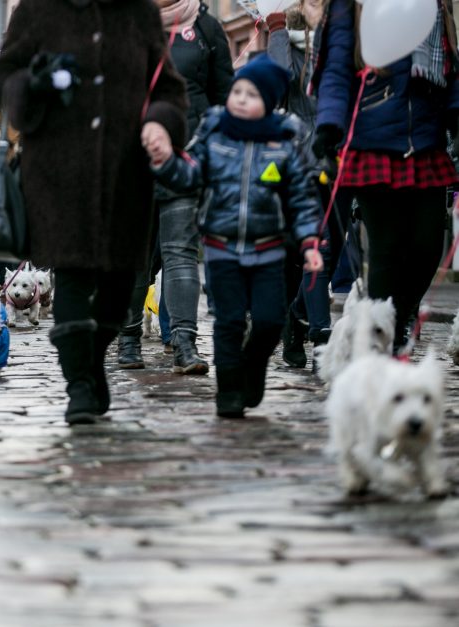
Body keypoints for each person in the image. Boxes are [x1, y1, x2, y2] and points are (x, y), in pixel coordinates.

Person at [0, 0, 188, 424]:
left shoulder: (138, 13)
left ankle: (91, 357)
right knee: (74, 273)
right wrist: (32, 84)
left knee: (119, 285)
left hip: (125, 172)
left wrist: (159, 122)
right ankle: (79, 384)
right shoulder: (39, 10)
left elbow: (167, 89)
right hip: (59, 171)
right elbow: (3, 73)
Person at [148, 54, 324, 418]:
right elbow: (189, 174)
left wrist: (310, 243)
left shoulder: (284, 143)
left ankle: (254, 368)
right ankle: (229, 390)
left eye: (252, 94)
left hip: (268, 250)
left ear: (271, 103)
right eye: (237, 91)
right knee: (228, 322)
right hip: (221, 249)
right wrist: (166, 162)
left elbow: (303, 200)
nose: (241, 98)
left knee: (269, 321)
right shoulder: (214, 131)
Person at [311, 0, 459, 353]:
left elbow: (451, 68)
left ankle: (399, 317)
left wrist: (456, 119)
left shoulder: (433, 5)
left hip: (426, 141)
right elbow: (335, 70)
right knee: (387, 249)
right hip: (372, 141)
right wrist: (329, 127)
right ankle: (374, 350)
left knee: (426, 249)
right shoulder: (350, 6)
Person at [118, 0, 233, 374]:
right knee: (134, 256)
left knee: (180, 251)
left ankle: (184, 342)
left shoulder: (206, 28)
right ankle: (128, 338)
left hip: (187, 157)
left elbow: (223, 97)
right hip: (133, 159)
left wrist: (214, 147)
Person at [265, 0, 337, 369]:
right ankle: (321, 334)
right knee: (317, 249)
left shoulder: (337, 39)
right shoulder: (286, 44)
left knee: (335, 251)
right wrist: (277, 31)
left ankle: (296, 317)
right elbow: (276, 84)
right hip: (300, 163)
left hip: (337, 159)